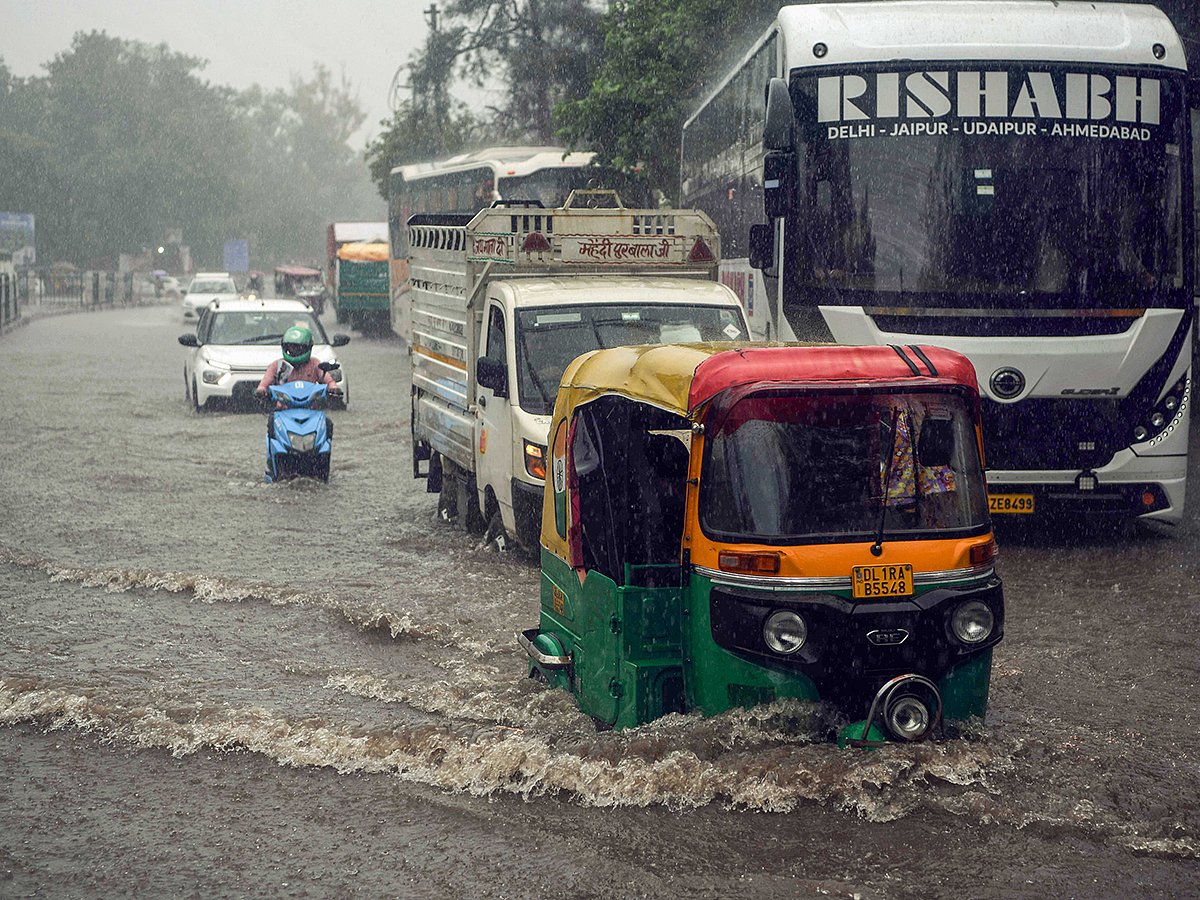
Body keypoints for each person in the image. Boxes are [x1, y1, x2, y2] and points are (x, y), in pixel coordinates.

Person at [255, 325, 341, 400]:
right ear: (286, 347)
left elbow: (329, 381)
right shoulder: (278, 365)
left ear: (307, 347)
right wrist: (261, 390)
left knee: (326, 419)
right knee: (271, 419)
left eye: (299, 347)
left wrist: (333, 388)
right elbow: (264, 384)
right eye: (291, 346)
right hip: (283, 408)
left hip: (311, 407)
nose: (295, 350)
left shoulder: (315, 363)